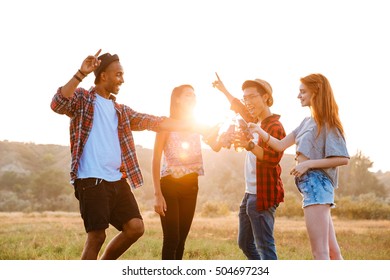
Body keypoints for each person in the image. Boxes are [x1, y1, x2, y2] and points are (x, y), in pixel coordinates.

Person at [50, 50, 200, 260]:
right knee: (97, 236)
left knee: (135, 227)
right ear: (104, 76)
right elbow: (57, 104)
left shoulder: (120, 111)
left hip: (116, 179)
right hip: (90, 179)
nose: (122, 80)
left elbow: (154, 121)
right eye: (118, 75)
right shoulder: (83, 99)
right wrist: (80, 74)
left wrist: (196, 125)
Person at [249, 73, 349, 260]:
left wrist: (308, 164)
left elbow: (343, 158)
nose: (298, 96)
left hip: (317, 185)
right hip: (310, 186)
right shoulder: (306, 122)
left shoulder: (327, 121)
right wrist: (258, 130)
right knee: (333, 251)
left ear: (316, 92)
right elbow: (279, 145)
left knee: (320, 252)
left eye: (303, 92)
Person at [212, 74, 286, 260]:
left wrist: (250, 145)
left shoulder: (274, 126)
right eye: (246, 97)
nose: (248, 101)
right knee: (245, 243)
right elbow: (237, 105)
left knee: (265, 247)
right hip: (249, 194)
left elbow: (272, 158)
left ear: (266, 98)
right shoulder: (254, 121)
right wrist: (223, 90)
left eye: (252, 96)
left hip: (263, 194)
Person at [152, 84, 221, 260]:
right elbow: (156, 160)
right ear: (177, 99)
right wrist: (157, 194)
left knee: (181, 239)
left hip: (191, 185)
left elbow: (216, 146)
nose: (193, 98)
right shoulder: (166, 125)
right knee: (172, 238)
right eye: (189, 95)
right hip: (169, 185)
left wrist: (225, 136)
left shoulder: (197, 125)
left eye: (194, 95)